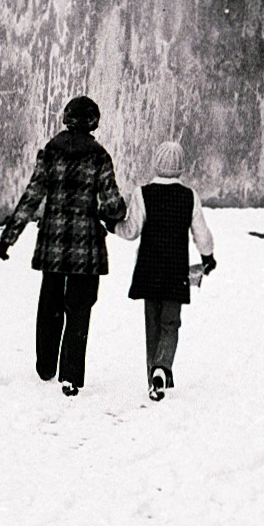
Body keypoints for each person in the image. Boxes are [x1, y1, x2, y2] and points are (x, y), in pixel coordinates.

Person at [0, 96, 126, 398]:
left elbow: (32, 196)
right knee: (80, 307)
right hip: (85, 247)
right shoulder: (99, 156)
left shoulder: (51, 152)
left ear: (67, 119)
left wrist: (9, 235)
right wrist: (114, 214)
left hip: (53, 243)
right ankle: (70, 376)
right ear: (94, 122)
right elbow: (112, 203)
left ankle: (45, 365)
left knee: (50, 302)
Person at [116, 139, 215, 401]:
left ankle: (153, 375)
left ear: (156, 163)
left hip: (149, 267)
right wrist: (208, 256)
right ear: (181, 167)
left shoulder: (142, 193)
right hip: (175, 269)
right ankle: (163, 367)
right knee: (170, 323)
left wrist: (112, 226)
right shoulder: (188, 196)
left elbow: (131, 230)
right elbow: (201, 233)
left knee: (152, 322)